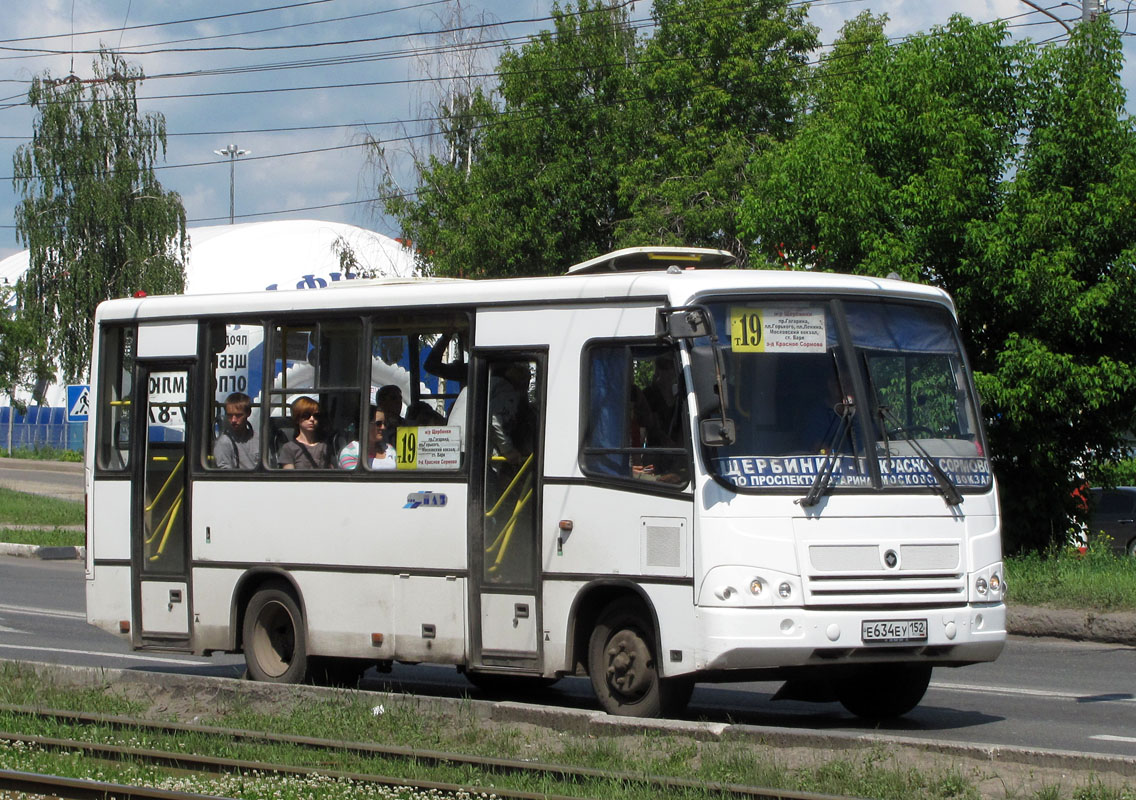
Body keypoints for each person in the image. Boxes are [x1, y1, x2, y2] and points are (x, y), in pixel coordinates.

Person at [278, 396, 331, 469]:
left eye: (316, 416)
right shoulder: (289, 448)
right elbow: (289, 477)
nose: (312, 419)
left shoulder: (325, 447)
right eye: (306, 416)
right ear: (297, 419)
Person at [213, 392, 259, 470]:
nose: (233, 420)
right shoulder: (224, 442)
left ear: (248, 413)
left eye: (238, 415)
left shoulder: (259, 439)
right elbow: (225, 475)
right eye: (230, 415)